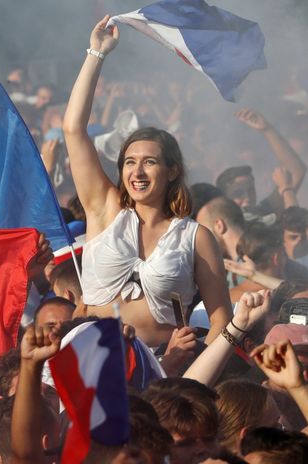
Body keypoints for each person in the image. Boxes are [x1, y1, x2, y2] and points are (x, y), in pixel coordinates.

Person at [62, 15, 231, 347]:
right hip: (92, 362)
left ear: (171, 171)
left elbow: (220, 320)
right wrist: (96, 54)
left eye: (149, 163)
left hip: (161, 371)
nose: (137, 173)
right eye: (129, 162)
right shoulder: (105, 209)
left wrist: (186, 371)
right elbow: (73, 130)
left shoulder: (196, 237)